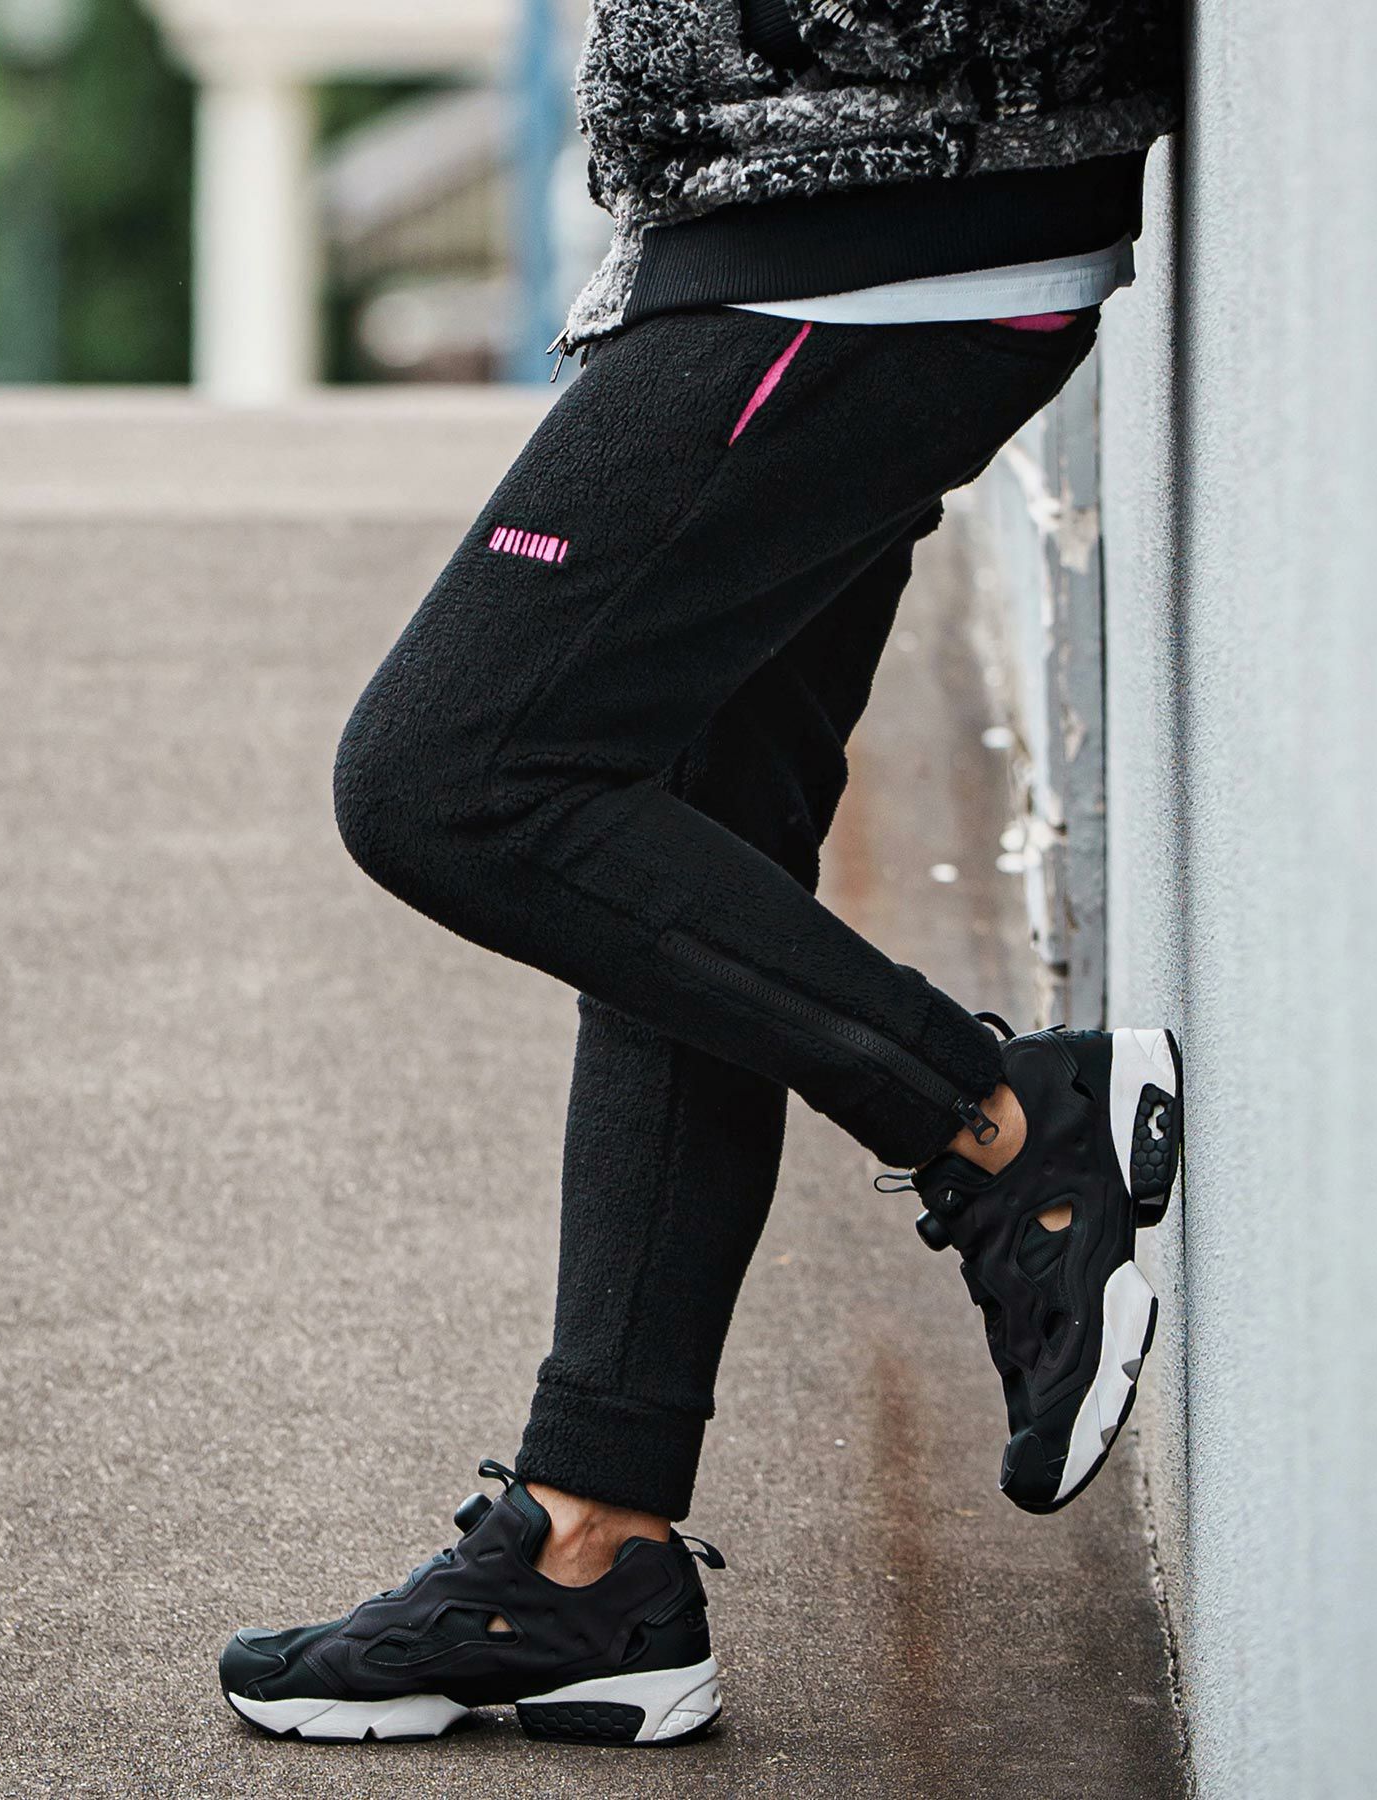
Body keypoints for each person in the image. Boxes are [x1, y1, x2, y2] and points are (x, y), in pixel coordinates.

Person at [219, 0, 1183, 1750]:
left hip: (873, 204)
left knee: (447, 777)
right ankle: (589, 1558)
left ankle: (1002, 1126)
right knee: (685, 859)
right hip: (829, 200)